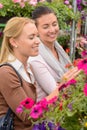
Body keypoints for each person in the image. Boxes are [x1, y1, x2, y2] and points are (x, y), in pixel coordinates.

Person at [29, 6, 79, 102]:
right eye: (46, 27)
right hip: (49, 112)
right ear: (36, 30)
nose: (52, 30)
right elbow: (54, 93)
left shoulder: (59, 49)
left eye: (54, 24)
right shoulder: (35, 58)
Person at [0, 17, 40, 130]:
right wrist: (56, 93)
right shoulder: (6, 73)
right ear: (13, 42)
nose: (37, 41)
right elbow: (28, 115)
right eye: (31, 37)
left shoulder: (28, 69)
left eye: (37, 36)